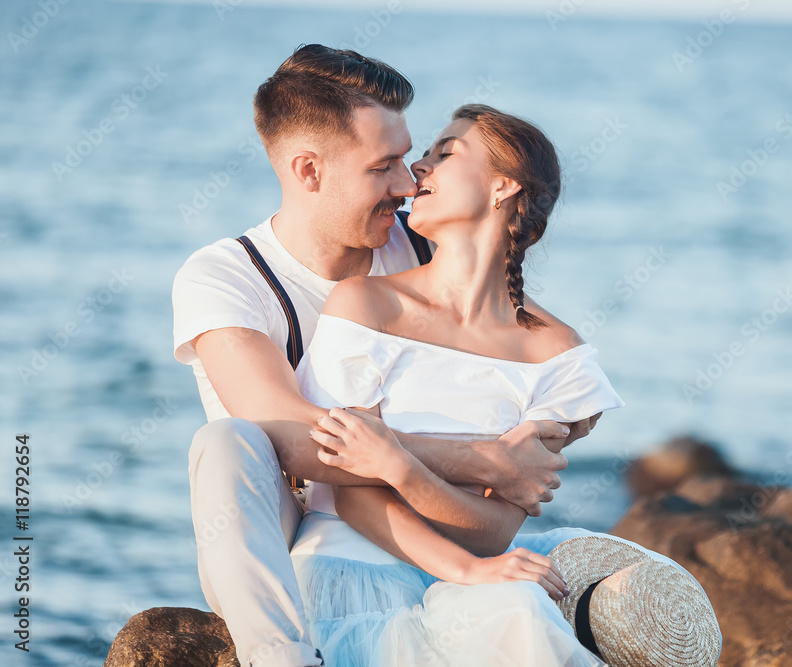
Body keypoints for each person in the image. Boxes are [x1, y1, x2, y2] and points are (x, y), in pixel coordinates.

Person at [173, 46, 596, 667]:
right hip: (286, 522)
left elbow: (506, 317)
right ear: (309, 171)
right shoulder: (226, 276)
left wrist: (570, 398)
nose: (407, 182)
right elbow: (291, 438)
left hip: (425, 514)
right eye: (385, 166)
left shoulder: (423, 244)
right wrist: (484, 459)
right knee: (226, 443)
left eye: (410, 157)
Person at [258, 104, 722, 666]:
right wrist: (463, 564)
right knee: (515, 611)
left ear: (503, 185)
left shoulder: (557, 357)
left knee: (516, 610)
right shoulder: (367, 304)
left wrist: (397, 464)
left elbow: (494, 531)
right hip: (356, 570)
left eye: (443, 152)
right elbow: (352, 488)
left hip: (475, 576)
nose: (415, 173)